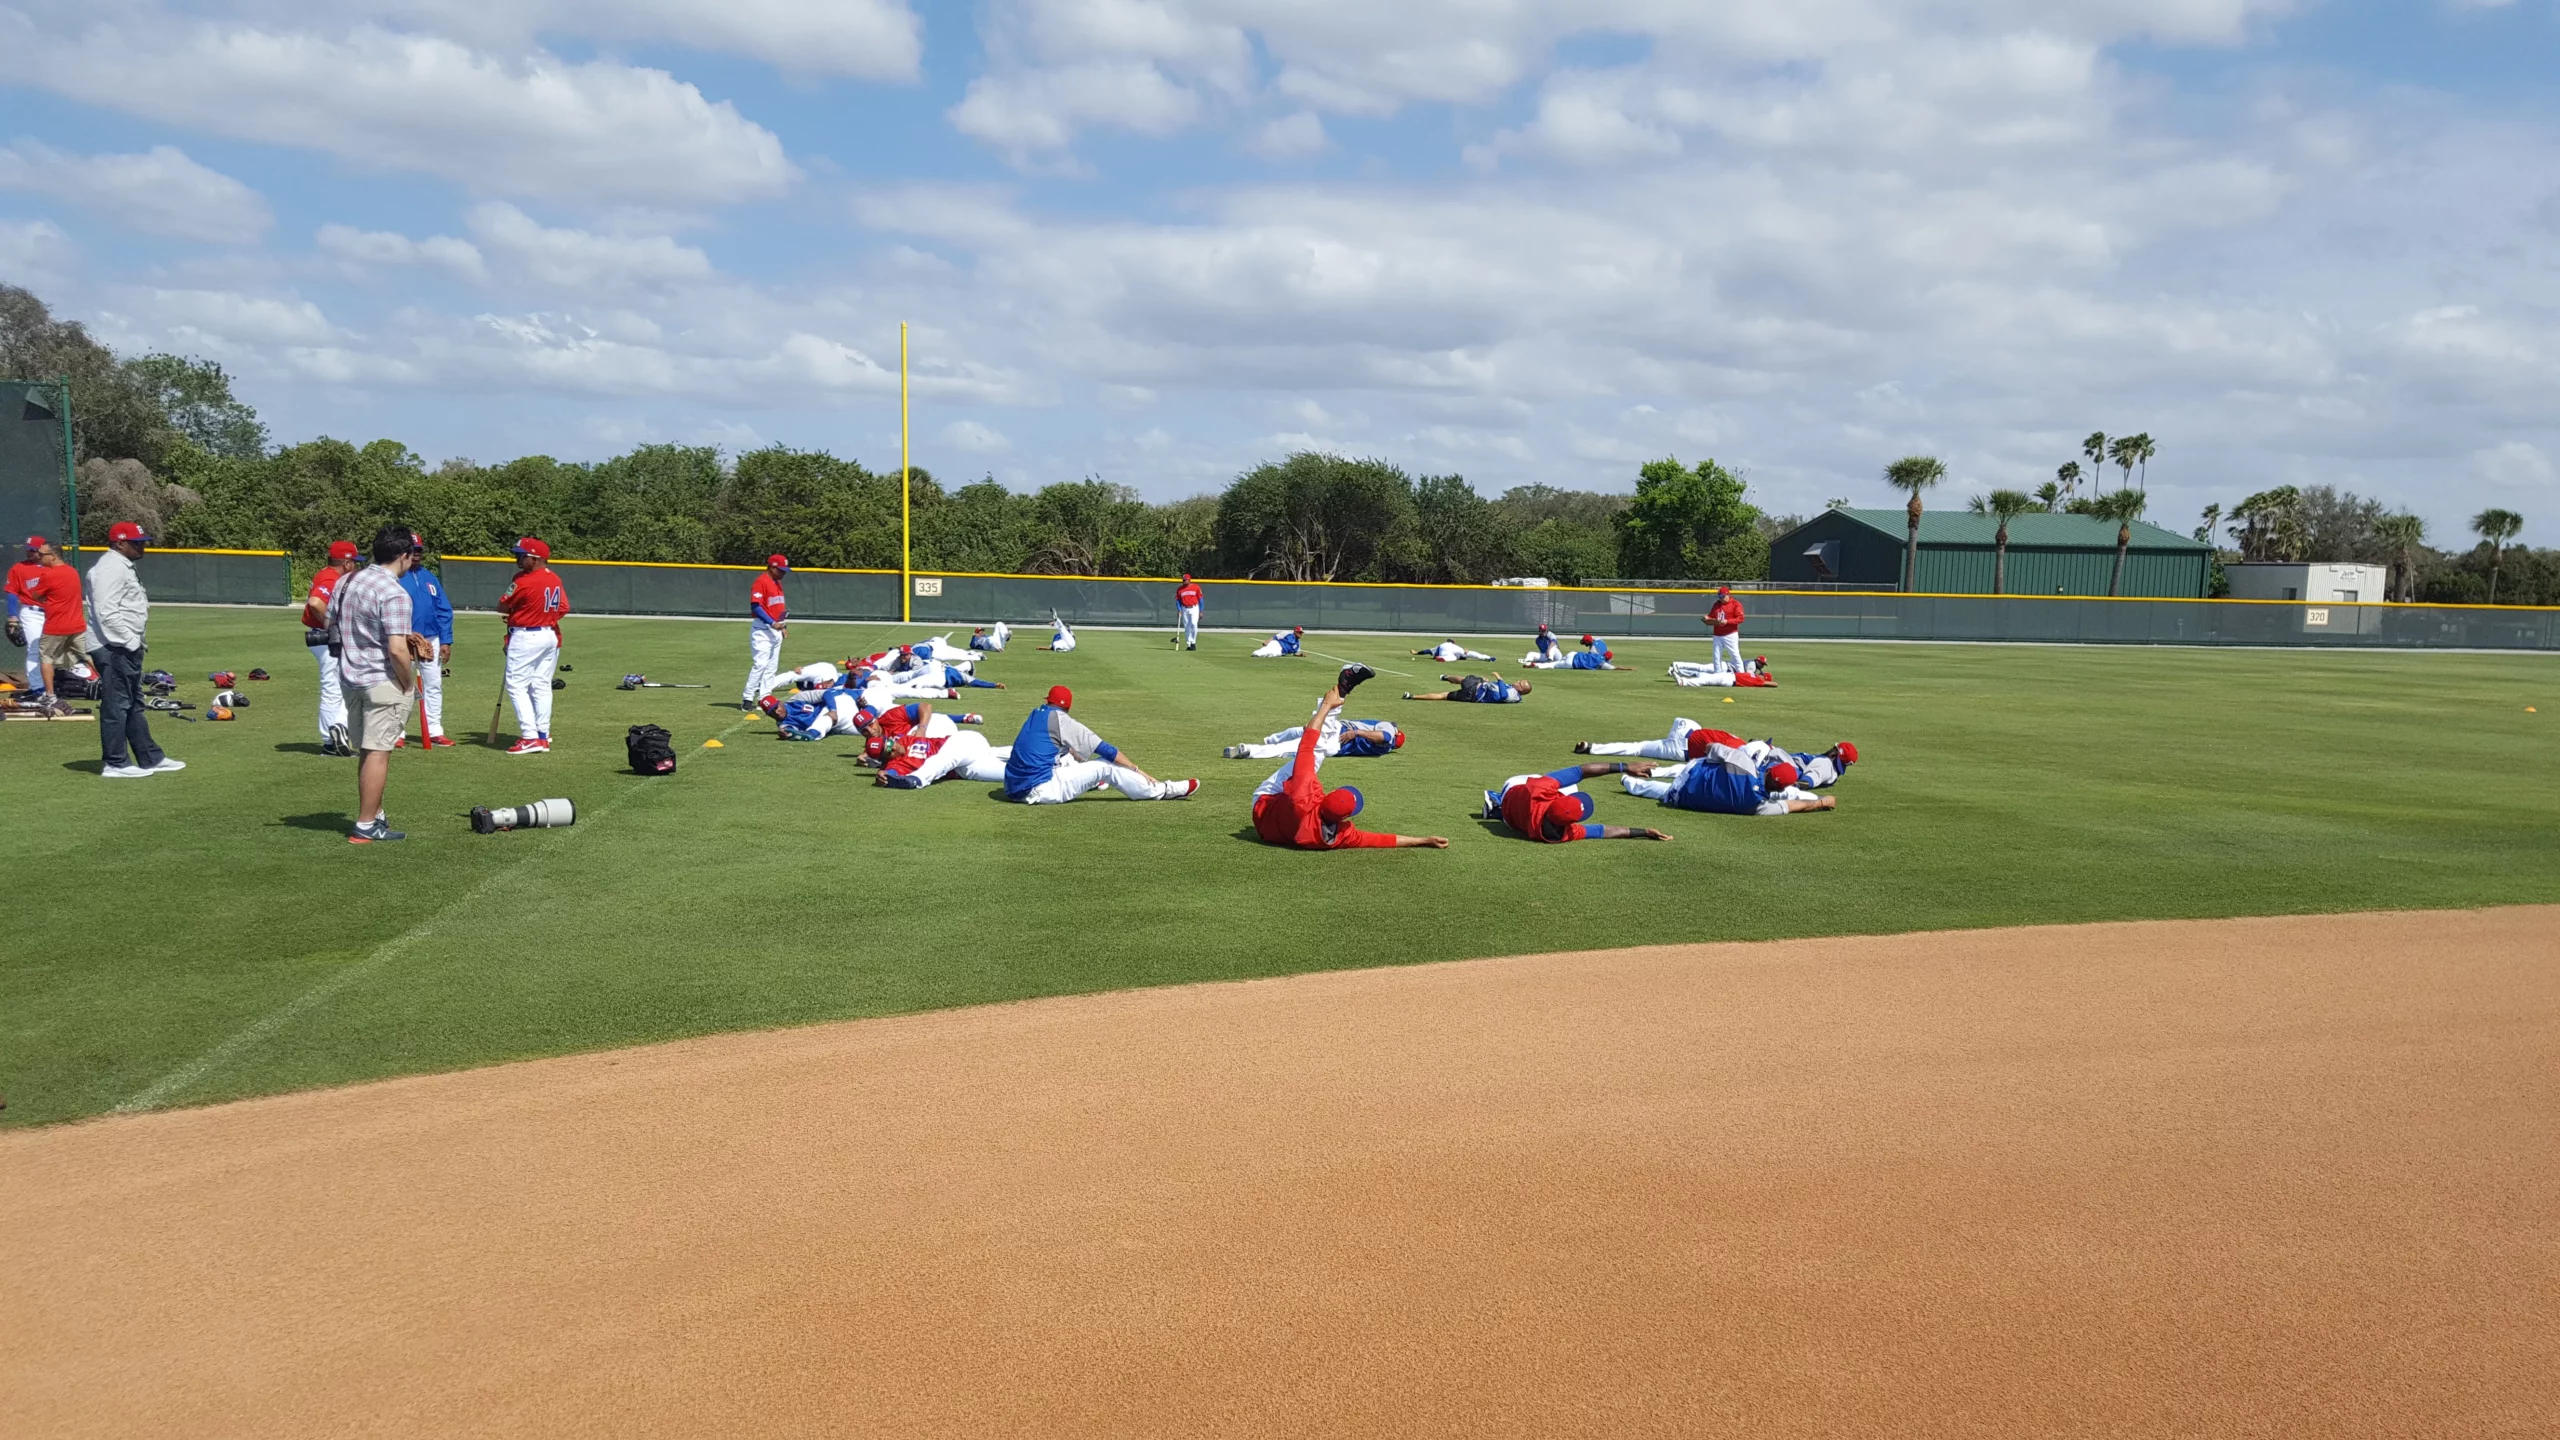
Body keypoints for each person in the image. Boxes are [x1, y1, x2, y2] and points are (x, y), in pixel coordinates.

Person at [1251, 668, 1447, 850]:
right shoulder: (1336, 837)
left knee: (1315, 751)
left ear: (1326, 796)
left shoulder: (1304, 793)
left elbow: (1308, 743)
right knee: (1317, 749)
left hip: (1264, 802)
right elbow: (1381, 840)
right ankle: (1341, 692)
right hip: (1266, 828)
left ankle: (1341, 691)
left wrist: (1327, 705)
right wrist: (1423, 840)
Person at [332, 524, 422, 840]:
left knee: (369, 750)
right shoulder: (394, 592)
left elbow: (332, 625)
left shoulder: (346, 580)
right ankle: (366, 825)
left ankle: (375, 816)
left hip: (349, 677)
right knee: (378, 752)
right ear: (404, 555)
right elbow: (397, 650)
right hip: (381, 680)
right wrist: (408, 683)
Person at [83, 522, 182, 779]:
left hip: (122, 645)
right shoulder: (110, 568)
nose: (143, 546)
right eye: (137, 542)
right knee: (117, 705)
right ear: (120, 543)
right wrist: (130, 641)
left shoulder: (120, 565)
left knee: (134, 703)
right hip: (113, 646)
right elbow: (107, 612)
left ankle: (150, 757)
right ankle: (115, 762)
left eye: (143, 541)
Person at [1001, 685, 1197, 804]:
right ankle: (1163, 790)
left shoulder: (1036, 714)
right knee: (1105, 765)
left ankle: (1093, 782)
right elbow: (1106, 750)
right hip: (1039, 789)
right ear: (1068, 706)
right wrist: (1138, 770)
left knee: (1068, 757)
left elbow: (1051, 745)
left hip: (1013, 787)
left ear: (1047, 701)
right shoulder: (1062, 720)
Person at [496, 537, 569, 754]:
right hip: (549, 634)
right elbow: (563, 607)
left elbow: (502, 606)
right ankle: (542, 735)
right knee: (541, 684)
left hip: (527, 635)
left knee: (517, 685)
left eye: (522, 555)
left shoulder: (524, 580)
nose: (517, 558)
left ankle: (529, 736)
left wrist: (522, 615)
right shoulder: (554, 578)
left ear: (535, 558)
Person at [1482, 766, 1670, 843]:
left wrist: (1624, 766)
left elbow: (1581, 770)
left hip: (1511, 790)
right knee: (1572, 785)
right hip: (1511, 821)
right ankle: (1496, 809)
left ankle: (1497, 802)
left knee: (1568, 781)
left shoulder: (1541, 790)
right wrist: (1643, 831)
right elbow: (1601, 831)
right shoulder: (1560, 834)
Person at [1616, 751, 1836, 817]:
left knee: (1688, 771)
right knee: (1663, 791)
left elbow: (1713, 748)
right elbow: (1791, 805)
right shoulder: (1760, 807)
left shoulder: (1746, 764)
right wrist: (1821, 802)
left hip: (1693, 771)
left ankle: (1632, 778)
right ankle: (1630, 782)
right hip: (1685, 796)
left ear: (1769, 769)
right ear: (1782, 788)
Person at [395, 534, 455, 747]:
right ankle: (397, 733)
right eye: (414, 549)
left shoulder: (430, 577)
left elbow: (444, 610)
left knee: (434, 685)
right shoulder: (394, 577)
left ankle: (435, 730)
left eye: (420, 549)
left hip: (430, 638)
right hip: (401, 639)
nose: (417, 554)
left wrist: (446, 641)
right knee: (401, 685)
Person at [303, 539, 360, 753]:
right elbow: (316, 602)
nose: (355, 566)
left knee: (339, 687)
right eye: (353, 561)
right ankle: (330, 741)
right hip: (325, 638)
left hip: (323, 637)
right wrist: (332, 627)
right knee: (333, 688)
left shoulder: (326, 574)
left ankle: (336, 734)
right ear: (345, 563)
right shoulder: (330, 577)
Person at [29, 540, 91, 715]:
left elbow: (35, 595)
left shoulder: (49, 575)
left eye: (42, 554)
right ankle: (109, 685)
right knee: (88, 656)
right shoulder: (72, 572)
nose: (39, 557)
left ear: (54, 556)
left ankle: (50, 695)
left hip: (56, 625)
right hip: (77, 624)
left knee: (46, 658)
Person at [872, 729, 1012, 789]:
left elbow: (923, 706)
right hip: (963, 768)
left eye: (890, 744)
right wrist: (884, 775)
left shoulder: (903, 737)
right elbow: (890, 775)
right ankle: (1033, 760)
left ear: (890, 739)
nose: (893, 749)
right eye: (888, 752)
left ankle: (917, 780)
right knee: (1010, 774)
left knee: (944, 757)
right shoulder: (896, 764)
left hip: (963, 740)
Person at [1223, 715, 1401, 760]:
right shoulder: (1384, 750)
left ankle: (1249, 750)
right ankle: (1270, 740)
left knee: (1294, 744)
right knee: (1296, 732)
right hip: (1335, 742)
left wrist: (1356, 732)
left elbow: (1384, 736)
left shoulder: (1390, 730)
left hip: (1336, 737)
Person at [742, 554, 789, 711]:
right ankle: (747, 698)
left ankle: (765, 698)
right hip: (762, 629)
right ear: (772, 567)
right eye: (781, 570)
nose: (783, 573)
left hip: (776, 629)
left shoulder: (778, 583)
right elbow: (756, 606)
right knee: (760, 664)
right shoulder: (761, 581)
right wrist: (772, 622)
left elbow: (779, 607)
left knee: (772, 666)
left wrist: (783, 626)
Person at [7, 535, 43, 698]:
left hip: (54, 612)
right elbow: (12, 593)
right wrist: (13, 616)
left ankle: (50, 684)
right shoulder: (19, 568)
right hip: (31, 613)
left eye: (33, 550)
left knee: (54, 650)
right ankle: (37, 688)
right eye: (28, 549)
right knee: (34, 649)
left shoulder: (53, 567)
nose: (29, 553)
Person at [1404, 672, 1530, 703]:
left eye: (1521, 683)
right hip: (1473, 696)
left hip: (1476, 690)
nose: (1518, 681)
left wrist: (1499, 678)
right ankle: (1412, 696)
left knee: (1464, 679)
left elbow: (1503, 695)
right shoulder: (1514, 692)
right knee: (1444, 695)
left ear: (1521, 689)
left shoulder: (1514, 694)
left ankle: (1446, 677)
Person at [1705, 586, 1747, 673]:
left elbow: (1740, 618)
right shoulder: (1716, 605)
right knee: (1716, 656)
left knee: (1735, 655)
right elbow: (1711, 616)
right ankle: (1717, 674)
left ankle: (1741, 674)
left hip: (1730, 634)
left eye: (1723, 596)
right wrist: (1707, 618)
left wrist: (1727, 621)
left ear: (1728, 595)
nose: (1721, 598)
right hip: (1717, 634)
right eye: (1719, 597)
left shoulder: (1735, 604)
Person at [1668, 657, 1775, 687]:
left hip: (1729, 676)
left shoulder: (1757, 680)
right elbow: (1774, 684)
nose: (1761, 669)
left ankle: (1679, 673)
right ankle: (1678, 669)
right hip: (1726, 669)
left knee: (1703, 675)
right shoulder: (1753, 670)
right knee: (1702, 671)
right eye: (1761, 663)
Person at [1174, 573, 1202, 650]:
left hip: (1194, 607)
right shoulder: (1180, 589)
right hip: (1184, 608)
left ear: (1189, 580)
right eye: (1183, 580)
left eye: (1185, 580)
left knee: (1193, 623)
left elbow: (1200, 599)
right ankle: (1189, 644)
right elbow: (1178, 601)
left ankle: (1193, 642)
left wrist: (1201, 611)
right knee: (1187, 626)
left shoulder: (1196, 587)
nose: (1184, 581)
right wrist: (1179, 610)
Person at [1412, 639, 1494, 662]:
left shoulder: (1442, 645)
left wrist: (1416, 653)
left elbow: (1427, 651)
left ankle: (1443, 658)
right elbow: (1463, 656)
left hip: (1444, 651)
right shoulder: (1455, 646)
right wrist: (1465, 652)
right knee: (1471, 653)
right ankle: (1488, 657)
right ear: (1453, 643)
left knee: (1452, 657)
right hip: (1458, 650)